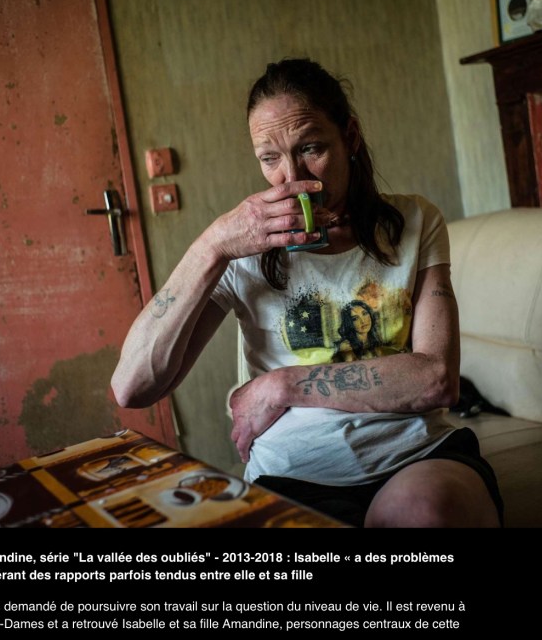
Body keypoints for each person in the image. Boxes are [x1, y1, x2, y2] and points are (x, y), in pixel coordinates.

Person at [112, 58, 503, 528]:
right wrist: (212, 245)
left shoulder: (415, 222)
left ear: (350, 138)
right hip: (293, 471)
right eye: (269, 158)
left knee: (421, 513)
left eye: (311, 148)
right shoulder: (240, 251)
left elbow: (437, 379)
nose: (291, 177)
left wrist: (280, 386)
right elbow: (133, 387)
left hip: (415, 455)